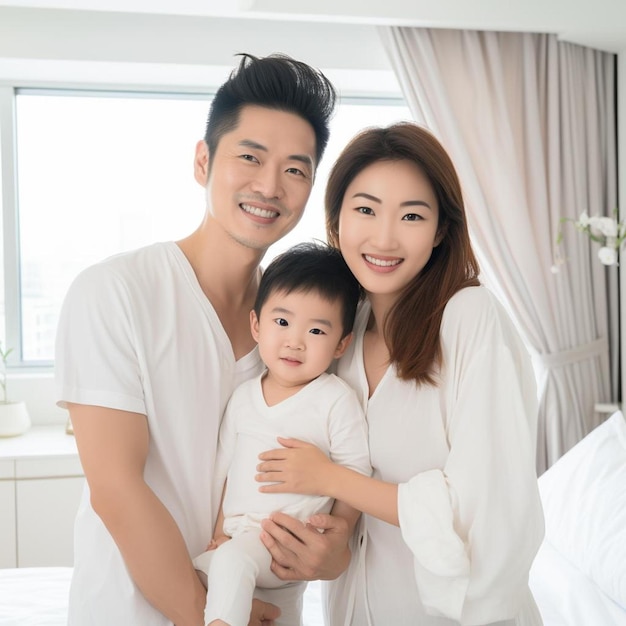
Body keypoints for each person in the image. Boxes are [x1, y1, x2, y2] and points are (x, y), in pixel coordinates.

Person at [54, 53, 344, 626]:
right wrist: (205, 613)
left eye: (295, 169)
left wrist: (335, 550)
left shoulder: (305, 330)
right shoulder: (116, 292)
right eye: (250, 157)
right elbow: (115, 486)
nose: (270, 185)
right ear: (203, 160)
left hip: (270, 607)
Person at [256, 122, 545, 625]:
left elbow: (483, 511)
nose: (384, 238)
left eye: (412, 215)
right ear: (336, 219)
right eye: (365, 209)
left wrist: (330, 477)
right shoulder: (337, 334)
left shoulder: (470, 318)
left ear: (439, 231)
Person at [192, 242, 371, 626]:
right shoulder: (242, 399)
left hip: (289, 546)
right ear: (256, 325)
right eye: (283, 322)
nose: (295, 341)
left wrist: (337, 533)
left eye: (317, 330)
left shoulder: (335, 400)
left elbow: (356, 471)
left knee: (231, 567)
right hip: (240, 543)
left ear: (341, 343)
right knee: (197, 578)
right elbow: (226, 471)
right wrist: (220, 532)